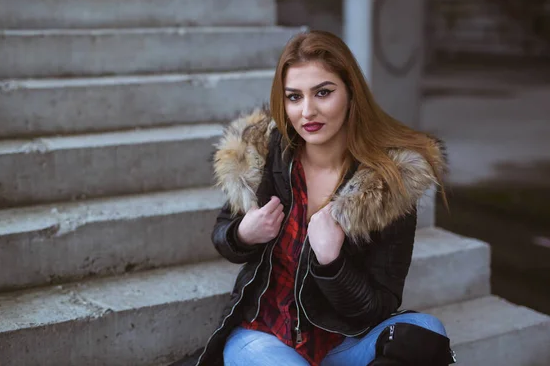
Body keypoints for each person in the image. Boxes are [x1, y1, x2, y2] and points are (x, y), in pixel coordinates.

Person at [177, 30, 455, 366]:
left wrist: (332, 263)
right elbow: (223, 234)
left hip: (343, 341)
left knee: (427, 331)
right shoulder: (267, 156)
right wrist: (242, 234)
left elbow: (379, 306)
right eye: (294, 97)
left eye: (323, 93)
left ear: (351, 93)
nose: (307, 111)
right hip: (265, 334)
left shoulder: (387, 184)